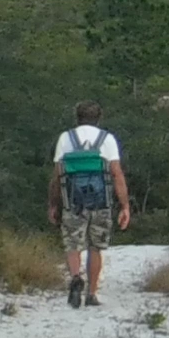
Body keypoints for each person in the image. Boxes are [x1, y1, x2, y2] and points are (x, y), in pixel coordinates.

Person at [48, 100, 131, 308]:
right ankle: (92, 294)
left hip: (72, 202)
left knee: (73, 245)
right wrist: (125, 206)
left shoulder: (66, 138)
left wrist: (53, 204)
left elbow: (57, 176)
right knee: (96, 248)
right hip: (100, 202)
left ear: (77, 117)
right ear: (98, 118)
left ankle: (76, 278)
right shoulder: (107, 139)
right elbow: (117, 174)